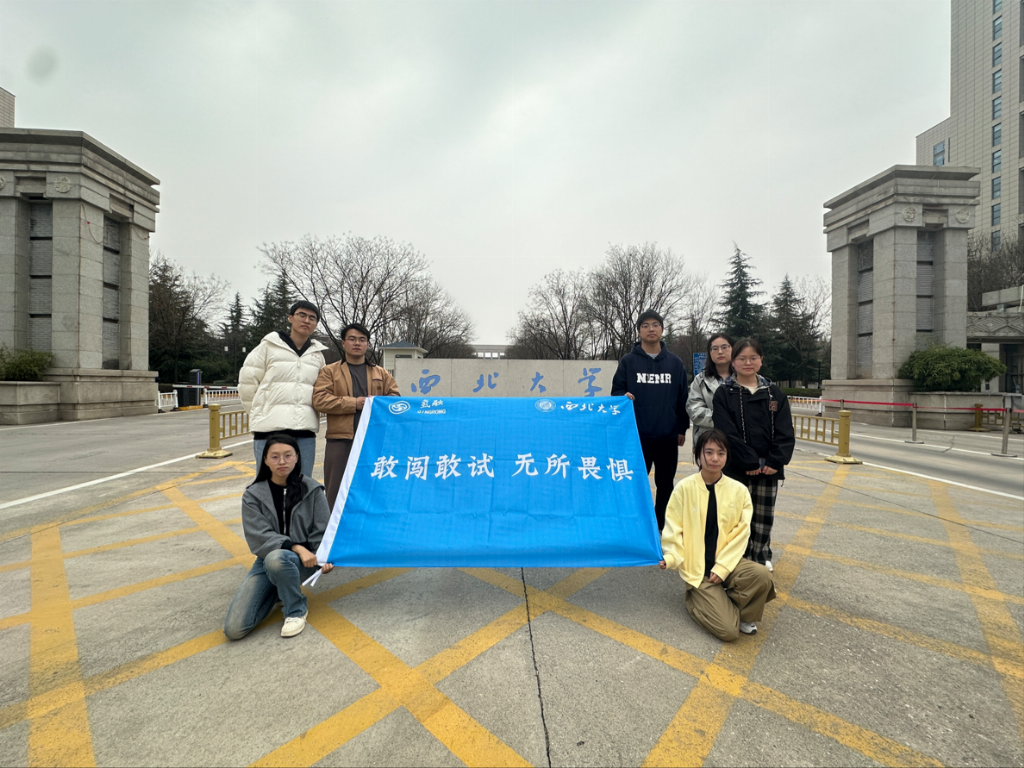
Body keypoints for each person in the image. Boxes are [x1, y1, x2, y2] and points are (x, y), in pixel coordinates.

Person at [659, 429, 776, 640]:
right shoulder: (684, 488)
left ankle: (741, 612)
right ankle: (696, 600)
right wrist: (671, 558)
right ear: (698, 454)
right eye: (709, 452)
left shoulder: (739, 490)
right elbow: (673, 529)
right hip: (700, 570)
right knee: (729, 632)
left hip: (728, 563)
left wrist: (723, 567)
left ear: (727, 456)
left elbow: (741, 534)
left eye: (721, 453)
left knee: (762, 575)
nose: (715, 458)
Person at [224, 435, 333, 639]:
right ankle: (281, 587)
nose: (282, 461)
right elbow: (259, 536)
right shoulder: (253, 495)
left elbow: (323, 530)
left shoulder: (313, 490)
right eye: (274, 457)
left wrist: (324, 558)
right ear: (265, 460)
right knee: (234, 629)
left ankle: (295, 610)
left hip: (304, 562)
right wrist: (296, 547)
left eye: (287, 455)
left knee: (277, 558)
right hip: (268, 560)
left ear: (297, 457)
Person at [712, 338, 795, 572]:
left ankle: (760, 555)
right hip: (737, 467)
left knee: (763, 515)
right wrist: (747, 460)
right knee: (735, 515)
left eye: (753, 358)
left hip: (769, 468)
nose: (747, 363)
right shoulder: (724, 393)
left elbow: (785, 430)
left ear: (761, 360)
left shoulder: (774, 393)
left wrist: (775, 461)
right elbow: (725, 431)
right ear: (733, 362)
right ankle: (734, 557)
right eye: (742, 358)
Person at [611, 309, 690, 530]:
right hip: (637, 437)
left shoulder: (675, 363)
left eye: (655, 324)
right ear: (639, 331)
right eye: (645, 325)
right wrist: (623, 396)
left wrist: (682, 428)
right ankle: (635, 527)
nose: (651, 329)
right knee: (635, 484)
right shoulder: (628, 362)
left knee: (665, 485)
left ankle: (660, 527)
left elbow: (682, 398)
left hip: (667, 436)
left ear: (662, 329)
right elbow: (616, 392)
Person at [312, 322, 400, 509]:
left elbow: (395, 400)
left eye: (362, 339)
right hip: (340, 440)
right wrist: (354, 403)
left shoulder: (381, 373)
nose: (357, 343)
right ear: (343, 343)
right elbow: (320, 400)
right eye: (352, 339)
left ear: (367, 344)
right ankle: (334, 526)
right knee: (335, 491)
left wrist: (379, 402)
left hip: (373, 439)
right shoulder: (330, 371)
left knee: (374, 488)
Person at [239, 301, 327, 478]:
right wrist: (260, 413)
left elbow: (322, 390)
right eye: (302, 315)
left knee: (303, 483)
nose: (306, 321)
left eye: (312, 318)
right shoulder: (268, 346)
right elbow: (247, 384)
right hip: (270, 430)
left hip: (304, 431)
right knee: (268, 485)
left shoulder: (317, 355)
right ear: (290, 318)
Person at [686, 333, 734, 444]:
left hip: (739, 442)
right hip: (708, 441)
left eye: (724, 347)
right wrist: (723, 419)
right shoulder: (700, 380)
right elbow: (694, 410)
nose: (720, 352)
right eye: (715, 348)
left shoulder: (744, 377)